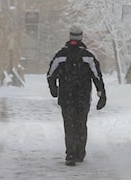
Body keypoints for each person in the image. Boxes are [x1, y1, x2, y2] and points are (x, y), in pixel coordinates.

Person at [47, 25, 107, 166]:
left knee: (69, 125)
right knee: (81, 124)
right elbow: (97, 77)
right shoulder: (88, 56)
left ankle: (70, 154)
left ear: (70, 37)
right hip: (83, 97)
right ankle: (80, 152)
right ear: (81, 38)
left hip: (66, 97)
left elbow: (51, 74)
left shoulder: (60, 55)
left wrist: (54, 89)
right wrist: (102, 94)